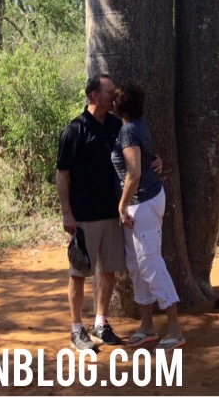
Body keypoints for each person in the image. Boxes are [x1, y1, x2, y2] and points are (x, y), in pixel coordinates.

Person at [111, 82, 186, 350]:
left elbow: (134, 174)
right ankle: (147, 326)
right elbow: (147, 160)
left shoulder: (129, 131)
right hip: (140, 203)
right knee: (136, 265)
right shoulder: (136, 126)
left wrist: (122, 206)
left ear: (119, 106)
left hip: (142, 203)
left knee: (150, 263)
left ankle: (175, 328)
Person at [55, 74, 126, 352]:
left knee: (108, 271)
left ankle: (100, 322)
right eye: (110, 92)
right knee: (79, 273)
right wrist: (67, 213)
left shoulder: (115, 125)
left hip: (111, 213)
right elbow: (62, 175)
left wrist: (153, 160)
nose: (114, 96)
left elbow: (131, 154)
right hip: (83, 216)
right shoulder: (74, 130)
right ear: (95, 96)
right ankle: (76, 329)